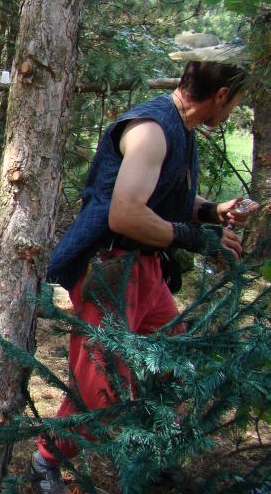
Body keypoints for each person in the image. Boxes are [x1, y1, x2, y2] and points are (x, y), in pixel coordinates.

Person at [28, 52, 260, 493]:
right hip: (112, 270)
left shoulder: (180, 128)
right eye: (234, 103)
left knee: (173, 362)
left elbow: (160, 197)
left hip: (146, 269)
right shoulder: (150, 131)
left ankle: (150, 451)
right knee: (101, 384)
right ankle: (46, 459)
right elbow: (126, 214)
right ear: (221, 95)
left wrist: (211, 211)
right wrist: (196, 238)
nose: (232, 112)